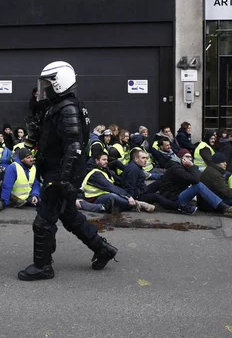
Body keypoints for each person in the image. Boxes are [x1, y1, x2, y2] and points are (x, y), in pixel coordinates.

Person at [18, 61, 117, 281]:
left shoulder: (67, 108)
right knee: (70, 216)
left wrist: (63, 180)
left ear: (59, 83)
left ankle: (43, 266)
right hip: (61, 171)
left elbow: (74, 146)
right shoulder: (61, 105)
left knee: (44, 221)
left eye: (48, 84)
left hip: (61, 173)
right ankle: (103, 249)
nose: (44, 88)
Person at [157, 149, 232, 218]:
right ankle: (226, 209)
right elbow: (196, 180)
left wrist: (192, 167)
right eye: (186, 157)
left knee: (200, 185)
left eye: (190, 157)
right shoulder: (177, 168)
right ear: (181, 158)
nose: (189, 159)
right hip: (174, 199)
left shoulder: (185, 168)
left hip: (178, 195)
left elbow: (198, 177)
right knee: (198, 186)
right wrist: (192, 166)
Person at [81, 152, 153, 213]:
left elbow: (117, 180)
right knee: (113, 196)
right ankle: (136, 205)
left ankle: (125, 205)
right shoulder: (95, 174)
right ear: (97, 161)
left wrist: (126, 191)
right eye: (103, 160)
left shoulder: (105, 170)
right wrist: (128, 196)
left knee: (117, 195)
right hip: (94, 199)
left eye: (107, 159)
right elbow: (110, 187)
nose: (106, 161)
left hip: (103, 195)